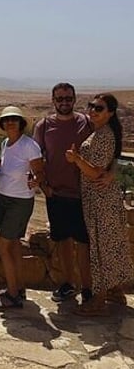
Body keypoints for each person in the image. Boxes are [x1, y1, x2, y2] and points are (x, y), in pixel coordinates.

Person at [66, 94, 134, 315]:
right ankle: (115, 291)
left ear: (110, 113)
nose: (93, 110)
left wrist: (76, 159)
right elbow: (110, 163)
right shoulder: (103, 132)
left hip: (100, 200)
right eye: (91, 106)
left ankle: (99, 301)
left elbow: (95, 173)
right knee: (109, 246)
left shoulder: (104, 135)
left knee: (100, 249)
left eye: (99, 108)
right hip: (101, 198)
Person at [34, 82, 93, 304]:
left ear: (75, 99)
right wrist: (44, 187)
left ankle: (87, 288)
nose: (64, 102)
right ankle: (68, 284)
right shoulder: (44, 126)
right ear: (53, 101)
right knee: (63, 242)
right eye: (60, 99)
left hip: (83, 195)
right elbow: (36, 158)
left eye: (68, 98)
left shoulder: (86, 122)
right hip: (56, 195)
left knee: (84, 244)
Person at [0, 106, 43, 311]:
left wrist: (36, 180)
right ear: (2, 124)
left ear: (21, 123)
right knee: (13, 246)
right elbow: (11, 166)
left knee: (2, 246)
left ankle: (12, 296)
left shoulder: (29, 145)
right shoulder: (5, 143)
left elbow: (40, 171)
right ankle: (18, 288)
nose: (10, 122)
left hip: (19, 201)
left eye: (14, 119)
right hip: (3, 198)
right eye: (7, 119)